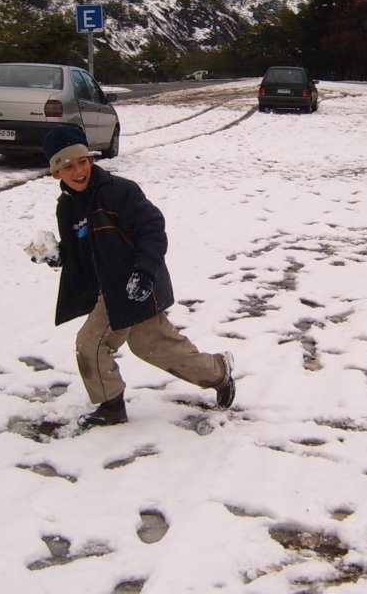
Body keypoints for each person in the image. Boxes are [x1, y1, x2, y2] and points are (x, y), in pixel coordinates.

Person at [40, 126, 235, 428]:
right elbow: (83, 246)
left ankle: (218, 373)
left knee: (149, 347)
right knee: (96, 343)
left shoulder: (119, 192)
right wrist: (59, 256)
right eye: (68, 166)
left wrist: (144, 273)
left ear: (91, 161)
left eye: (82, 162)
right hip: (109, 291)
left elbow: (152, 230)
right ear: (56, 173)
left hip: (138, 282)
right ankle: (113, 405)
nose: (78, 170)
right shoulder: (66, 206)